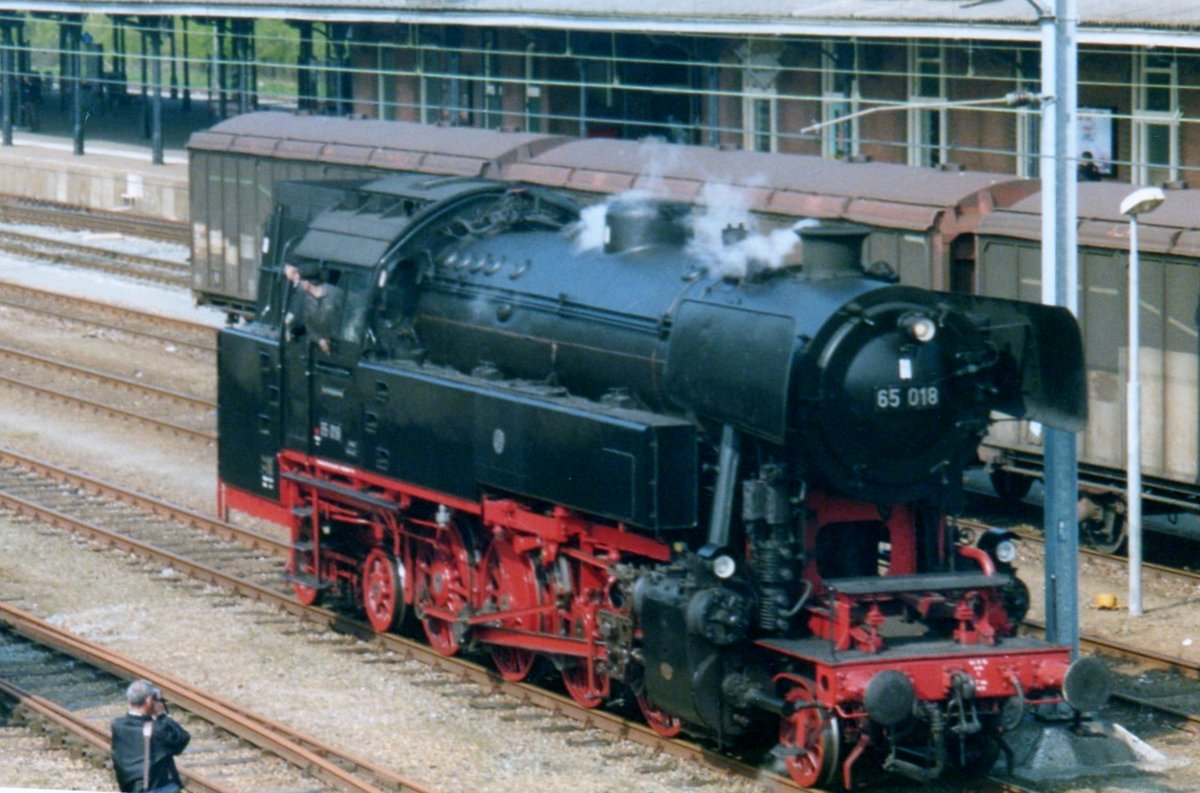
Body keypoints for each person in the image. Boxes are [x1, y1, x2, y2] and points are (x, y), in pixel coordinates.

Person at [111, 679, 191, 793]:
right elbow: (182, 739)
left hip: (130, 788)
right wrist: (162, 716)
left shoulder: (118, 725)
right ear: (148, 701)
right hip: (157, 787)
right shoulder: (157, 730)